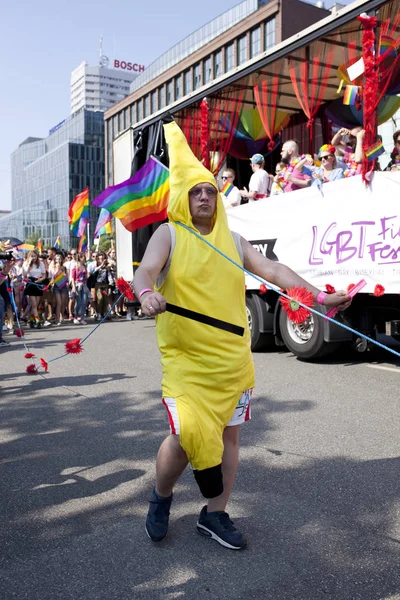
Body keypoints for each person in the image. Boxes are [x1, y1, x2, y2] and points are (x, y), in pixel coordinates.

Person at [132, 121, 351, 550]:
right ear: (182, 197)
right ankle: (160, 499)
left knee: (230, 438)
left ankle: (215, 513)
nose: (203, 197)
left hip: (232, 362)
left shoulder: (233, 239)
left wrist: (320, 297)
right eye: (195, 191)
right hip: (186, 362)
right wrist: (145, 292)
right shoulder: (169, 234)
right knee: (182, 437)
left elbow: (273, 270)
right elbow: (147, 270)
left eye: (210, 191)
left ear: (218, 199)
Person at [22, 250, 47, 328]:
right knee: (34, 304)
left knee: (36, 304)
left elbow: (44, 275)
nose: (34, 258)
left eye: (35, 256)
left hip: (38, 283)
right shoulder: (26, 263)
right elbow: (24, 275)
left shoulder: (41, 264)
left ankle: (31, 320)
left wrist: (41, 279)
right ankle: (37, 321)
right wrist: (29, 264)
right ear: (29, 257)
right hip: (30, 283)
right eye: (32, 256)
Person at [49, 254, 69, 326]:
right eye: (57, 259)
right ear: (55, 260)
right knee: (59, 303)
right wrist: (57, 270)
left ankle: (61, 316)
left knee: (63, 303)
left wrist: (65, 277)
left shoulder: (64, 268)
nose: (58, 260)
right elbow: (51, 278)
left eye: (59, 259)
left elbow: (67, 277)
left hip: (63, 286)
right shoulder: (52, 268)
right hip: (56, 286)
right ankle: (57, 319)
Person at [71, 253, 88, 325]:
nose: (83, 259)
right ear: (79, 258)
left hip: (83, 285)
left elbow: (86, 277)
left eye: (84, 257)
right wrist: (74, 287)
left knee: (84, 302)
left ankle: (82, 318)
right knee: (79, 302)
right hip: (77, 285)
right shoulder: (75, 267)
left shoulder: (84, 266)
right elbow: (72, 278)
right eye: (82, 257)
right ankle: (75, 316)